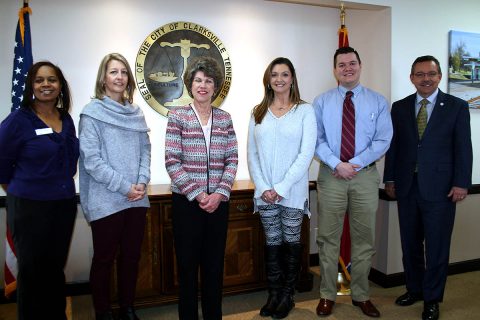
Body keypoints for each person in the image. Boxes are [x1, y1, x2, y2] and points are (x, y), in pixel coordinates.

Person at [383, 55, 472, 320]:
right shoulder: (399, 108)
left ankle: (432, 299)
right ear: (411, 78)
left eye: (431, 74)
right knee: (410, 244)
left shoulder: (456, 106)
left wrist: (461, 183)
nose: (425, 79)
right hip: (407, 188)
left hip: (442, 190)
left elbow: (463, 148)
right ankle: (414, 289)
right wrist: (390, 179)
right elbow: (394, 147)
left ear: (440, 76)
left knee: (436, 248)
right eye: (419, 74)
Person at [313, 46, 392, 318]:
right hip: (331, 176)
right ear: (334, 69)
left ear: (360, 65)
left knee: (364, 239)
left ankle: (361, 295)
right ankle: (327, 295)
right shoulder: (321, 102)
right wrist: (338, 164)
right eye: (342, 64)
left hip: (365, 177)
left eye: (352, 63)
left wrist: (353, 165)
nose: (347, 68)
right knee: (327, 239)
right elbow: (316, 140)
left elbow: (383, 140)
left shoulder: (378, 102)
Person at [0, 61, 78, 319]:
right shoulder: (18, 120)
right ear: (31, 86)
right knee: (32, 273)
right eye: (40, 80)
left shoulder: (65, 119)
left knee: (55, 269)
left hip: (63, 206)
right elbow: (1, 163)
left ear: (60, 86)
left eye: (52, 80)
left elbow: (70, 161)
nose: (46, 85)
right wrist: (21, 189)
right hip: (29, 207)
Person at [165, 56, 238, 320]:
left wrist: (219, 193)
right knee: (186, 268)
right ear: (190, 84)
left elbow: (232, 159)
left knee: (213, 267)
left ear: (216, 85)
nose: (203, 85)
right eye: (198, 80)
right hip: (187, 204)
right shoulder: (178, 116)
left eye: (208, 80)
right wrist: (198, 194)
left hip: (218, 205)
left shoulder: (225, 118)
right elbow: (172, 161)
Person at [79, 53, 151, 320]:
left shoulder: (136, 113)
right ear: (103, 78)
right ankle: (103, 311)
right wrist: (125, 187)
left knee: (131, 258)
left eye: (123, 72)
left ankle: (127, 307)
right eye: (113, 72)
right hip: (106, 199)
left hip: (136, 199)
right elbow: (92, 160)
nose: (119, 77)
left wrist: (142, 182)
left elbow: (146, 150)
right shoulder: (92, 113)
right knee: (104, 260)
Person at [247, 57, 317, 319]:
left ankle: (288, 296)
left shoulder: (304, 111)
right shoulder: (258, 112)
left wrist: (282, 186)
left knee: (290, 243)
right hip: (264, 193)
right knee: (272, 243)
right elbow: (251, 153)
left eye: (284, 74)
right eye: (274, 74)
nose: (279, 79)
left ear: (292, 78)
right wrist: (265, 187)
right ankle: (273, 294)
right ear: (268, 79)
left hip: (292, 193)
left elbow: (306, 153)